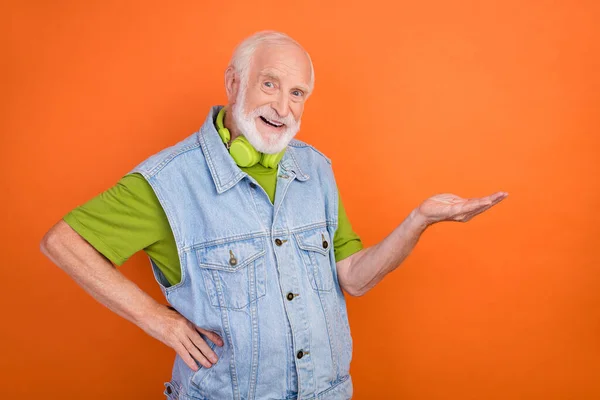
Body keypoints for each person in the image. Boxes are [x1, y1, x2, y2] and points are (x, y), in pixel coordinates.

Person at [40, 31, 508, 399]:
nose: (283, 108)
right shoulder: (167, 182)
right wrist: (156, 320)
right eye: (270, 84)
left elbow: (355, 278)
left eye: (298, 93)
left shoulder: (316, 169)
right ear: (234, 82)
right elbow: (62, 242)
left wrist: (418, 221)